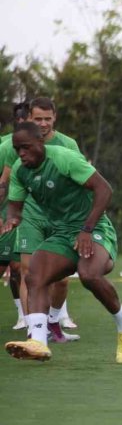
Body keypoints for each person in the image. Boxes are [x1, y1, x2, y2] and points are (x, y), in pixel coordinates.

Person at [2, 122, 122, 362]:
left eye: (26, 147)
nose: (21, 153)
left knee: (89, 275)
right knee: (35, 276)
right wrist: (11, 219)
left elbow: (104, 190)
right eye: (17, 149)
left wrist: (86, 229)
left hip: (94, 228)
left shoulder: (63, 158)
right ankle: (38, 342)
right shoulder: (21, 172)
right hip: (63, 233)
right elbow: (15, 205)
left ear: (40, 143)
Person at [0, 97, 81, 341]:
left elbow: (82, 181)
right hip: (30, 217)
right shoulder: (13, 146)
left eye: (48, 119)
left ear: (55, 117)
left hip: (62, 219)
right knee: (28, 273)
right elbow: (5, 183)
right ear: (29, 119)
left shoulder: (68, 144)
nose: (43, 124)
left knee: (62, 279)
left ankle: (54, 323)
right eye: (38, 119)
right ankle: (33, 331)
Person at [3, 102, 27, 330]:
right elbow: (2, 184)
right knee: (9, 266)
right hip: (8, 214)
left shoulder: (57, 147)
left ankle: (35, 320)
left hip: (32, 216)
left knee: (23, 266)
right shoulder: (5, 147)